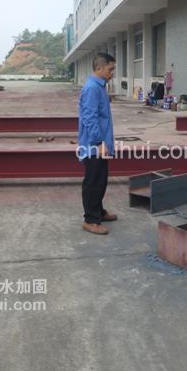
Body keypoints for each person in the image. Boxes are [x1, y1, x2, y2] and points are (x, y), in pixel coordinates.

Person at [77, 53, 117, 235]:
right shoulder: (92, 88)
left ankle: (98, 212)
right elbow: (89, 118)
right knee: (93, 182)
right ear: (99, 68)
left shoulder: (99, 87)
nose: (112, 73)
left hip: (100, 143)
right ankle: (90, 220)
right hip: (94, 144)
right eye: (110, 69)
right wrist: (98, 142)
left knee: (101, 180)